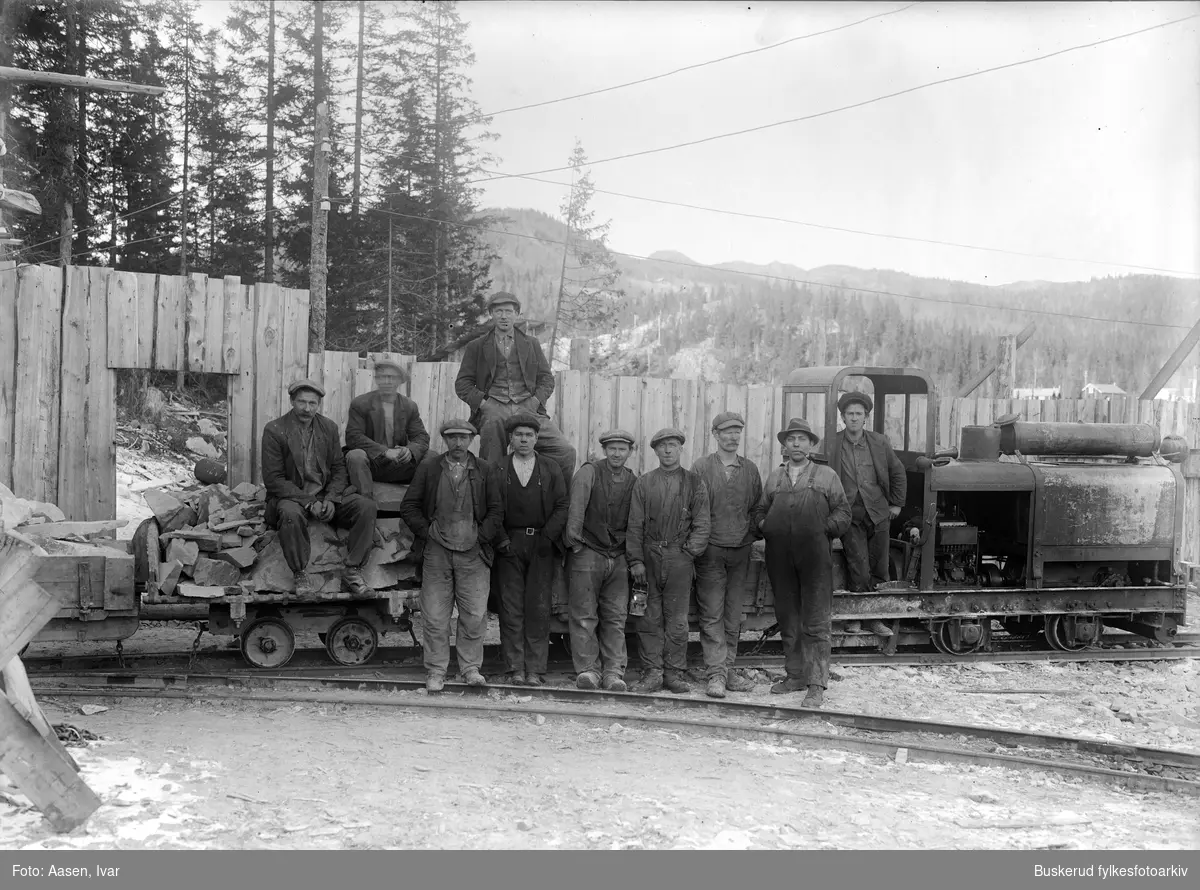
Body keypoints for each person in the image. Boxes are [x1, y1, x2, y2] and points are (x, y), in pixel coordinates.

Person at [752, 417, 851, 709]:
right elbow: (760, 509)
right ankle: (795, 675)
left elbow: (843, 512)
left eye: (802, 439)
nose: (796, 444)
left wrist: (824, 529)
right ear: (785, 444)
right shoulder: (775, 477)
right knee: (788, 617)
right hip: (779, 557)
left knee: (817, 621)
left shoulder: (826, 475)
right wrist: (765, 524)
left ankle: (816, 685)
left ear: (810, 444)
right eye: (791, 439)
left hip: (814, 557)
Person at [398, 419, 503, 692]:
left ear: (472, 440)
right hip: (436, 553)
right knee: (434, 615)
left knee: (474, 614)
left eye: (464, 438)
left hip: (474, 554)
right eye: (453, 437)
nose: (458, 443)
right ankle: (436, 670)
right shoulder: (430, 468)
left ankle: (470, 668)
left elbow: (496, 511)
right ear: (444, 439)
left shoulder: (484, 470)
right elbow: (409, 505)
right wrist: (427, 531)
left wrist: (481, 537)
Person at [261, 379, 378, 597]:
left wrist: (332, 499)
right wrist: (308, 501)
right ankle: (300, 574)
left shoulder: (328, 428)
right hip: (292, 497)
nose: (307, 409)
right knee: (289, 514)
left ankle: (352, 571)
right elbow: (274, 479)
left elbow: (338, 468)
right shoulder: (275, 430)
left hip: (324, 497)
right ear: (291, 401)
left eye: (312, 403)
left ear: (319, 404)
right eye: (302, 402)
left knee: (366, 506)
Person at [453, 292, 577, 486]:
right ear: (491, 314)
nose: (504, 316)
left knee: (565, 451)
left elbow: (546, 379)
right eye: (499, 311)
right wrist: (485, 404)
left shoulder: (531, 344)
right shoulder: (476, 346)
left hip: (528, 408)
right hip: (494, 410)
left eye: (509, 311)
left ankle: (555, 499)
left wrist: (535, 402)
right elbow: (462, 384)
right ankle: (492, 505)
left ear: (517, 314)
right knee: (491, 460)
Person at [627, 428, 711, 694]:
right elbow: (634, 525)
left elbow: (702, 523)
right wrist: (636, 560)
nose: (667, 450)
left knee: (677, 620)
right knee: (647, 617)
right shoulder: (644, 482)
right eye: (662, 446)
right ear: (655, 451)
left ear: (680, 449)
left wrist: (688, 553)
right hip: (648, 557)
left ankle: (674, 673)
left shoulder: (694, 482)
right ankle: (652, 673)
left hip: (679, 558)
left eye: (672, 445)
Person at [491, 413, 569, 687]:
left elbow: (562, 505)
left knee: (538, 608)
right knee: (511, 608)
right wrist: (501, 540)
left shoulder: (550, 468)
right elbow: (490, 508)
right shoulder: (498, 469)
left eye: (529, 435)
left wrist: (548, 537)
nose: (523, 439)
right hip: (509, 544)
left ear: (536, 439)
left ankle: (535, 669)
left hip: (541, 544)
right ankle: (515, 668)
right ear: (510, 439)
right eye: (518, 435)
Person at [691, 412, 763, 698]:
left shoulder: (750, 470)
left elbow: (757, 509)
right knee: (711, 613)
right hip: (710, 551)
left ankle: (728, 669)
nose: (733, 437)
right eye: (727, 432)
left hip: (740, 551)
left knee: (733, 615)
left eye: (737, 432)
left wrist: (753, 533)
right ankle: (716, 675)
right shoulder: (701, 468)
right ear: (715, 435)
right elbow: (695, 508)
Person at [562, 429, 638, 692]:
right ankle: (588, 671)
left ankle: (614, 673)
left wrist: (629, 555)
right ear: (604, 450)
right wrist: (576, 546)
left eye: (622, 449)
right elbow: (576, 511)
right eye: (612, 448)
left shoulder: (632, 480)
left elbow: (636, 521)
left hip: (618, 556)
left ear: (630, 452)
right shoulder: (589, 472)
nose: (617, 453)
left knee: (616, 617)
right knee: (584, 615)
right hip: (588, 551)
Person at [828, 392, 906, 638]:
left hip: (879, 513)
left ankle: (875, 619)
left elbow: (898, 472)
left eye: (858, 414)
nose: (853, 418)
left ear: (866, 418)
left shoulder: (879, 442)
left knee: (879, 567)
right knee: (858, 567)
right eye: (849, 414)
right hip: (849, 515)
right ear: (842, 418)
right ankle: (854, 618)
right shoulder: (832, 443)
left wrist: (896, 504)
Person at [345, 359, 431, 496]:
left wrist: (410, 450)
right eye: (381, 377)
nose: (386, 381)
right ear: (376, 380)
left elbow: (421, 436)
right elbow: (353, 436)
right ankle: (366, 503)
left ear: (399, 381)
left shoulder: (409, 406)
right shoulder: (360, 403)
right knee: (355, 455)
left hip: (398, 463)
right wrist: (384, 451)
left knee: (432, 456)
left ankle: (417, 503)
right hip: (372, 463)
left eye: (391, 377)